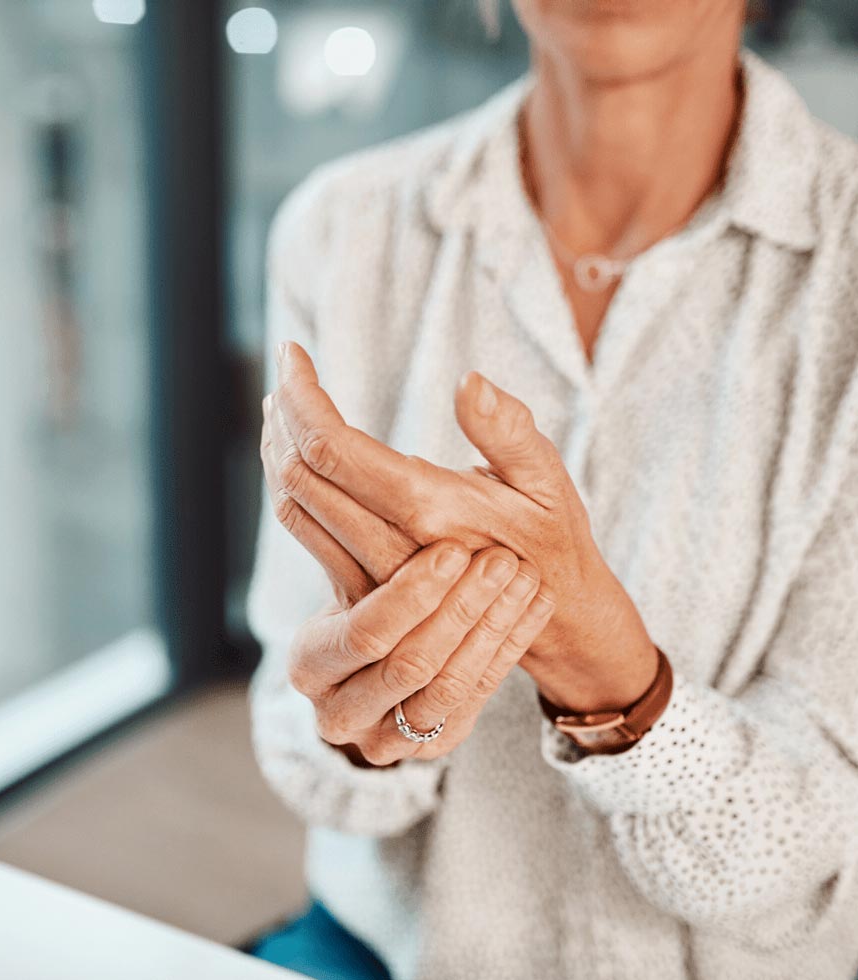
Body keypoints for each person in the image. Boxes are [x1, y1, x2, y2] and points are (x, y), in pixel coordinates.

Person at [245, 1, 858, 978]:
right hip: (391, 947)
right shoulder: (340, 227)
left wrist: (607, 668)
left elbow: (818, 853)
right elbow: (295, 705)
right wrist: (365, 722)